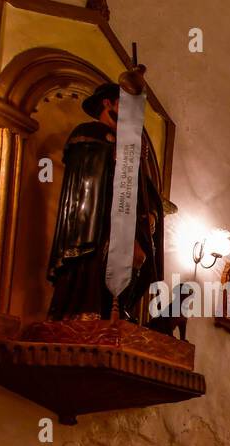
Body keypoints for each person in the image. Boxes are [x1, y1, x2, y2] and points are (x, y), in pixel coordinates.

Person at [47, 69, 166, 327]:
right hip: (93, 218)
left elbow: (143, 188)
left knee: (139, 256)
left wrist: (152, 211)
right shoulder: (88, 133)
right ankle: (88, 309)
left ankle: (119, 306)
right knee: (97, 260)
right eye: (123, 103)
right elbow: (86, 178)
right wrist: (114, 156)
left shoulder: (131, 144)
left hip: (122, 219)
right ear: (108, 103)